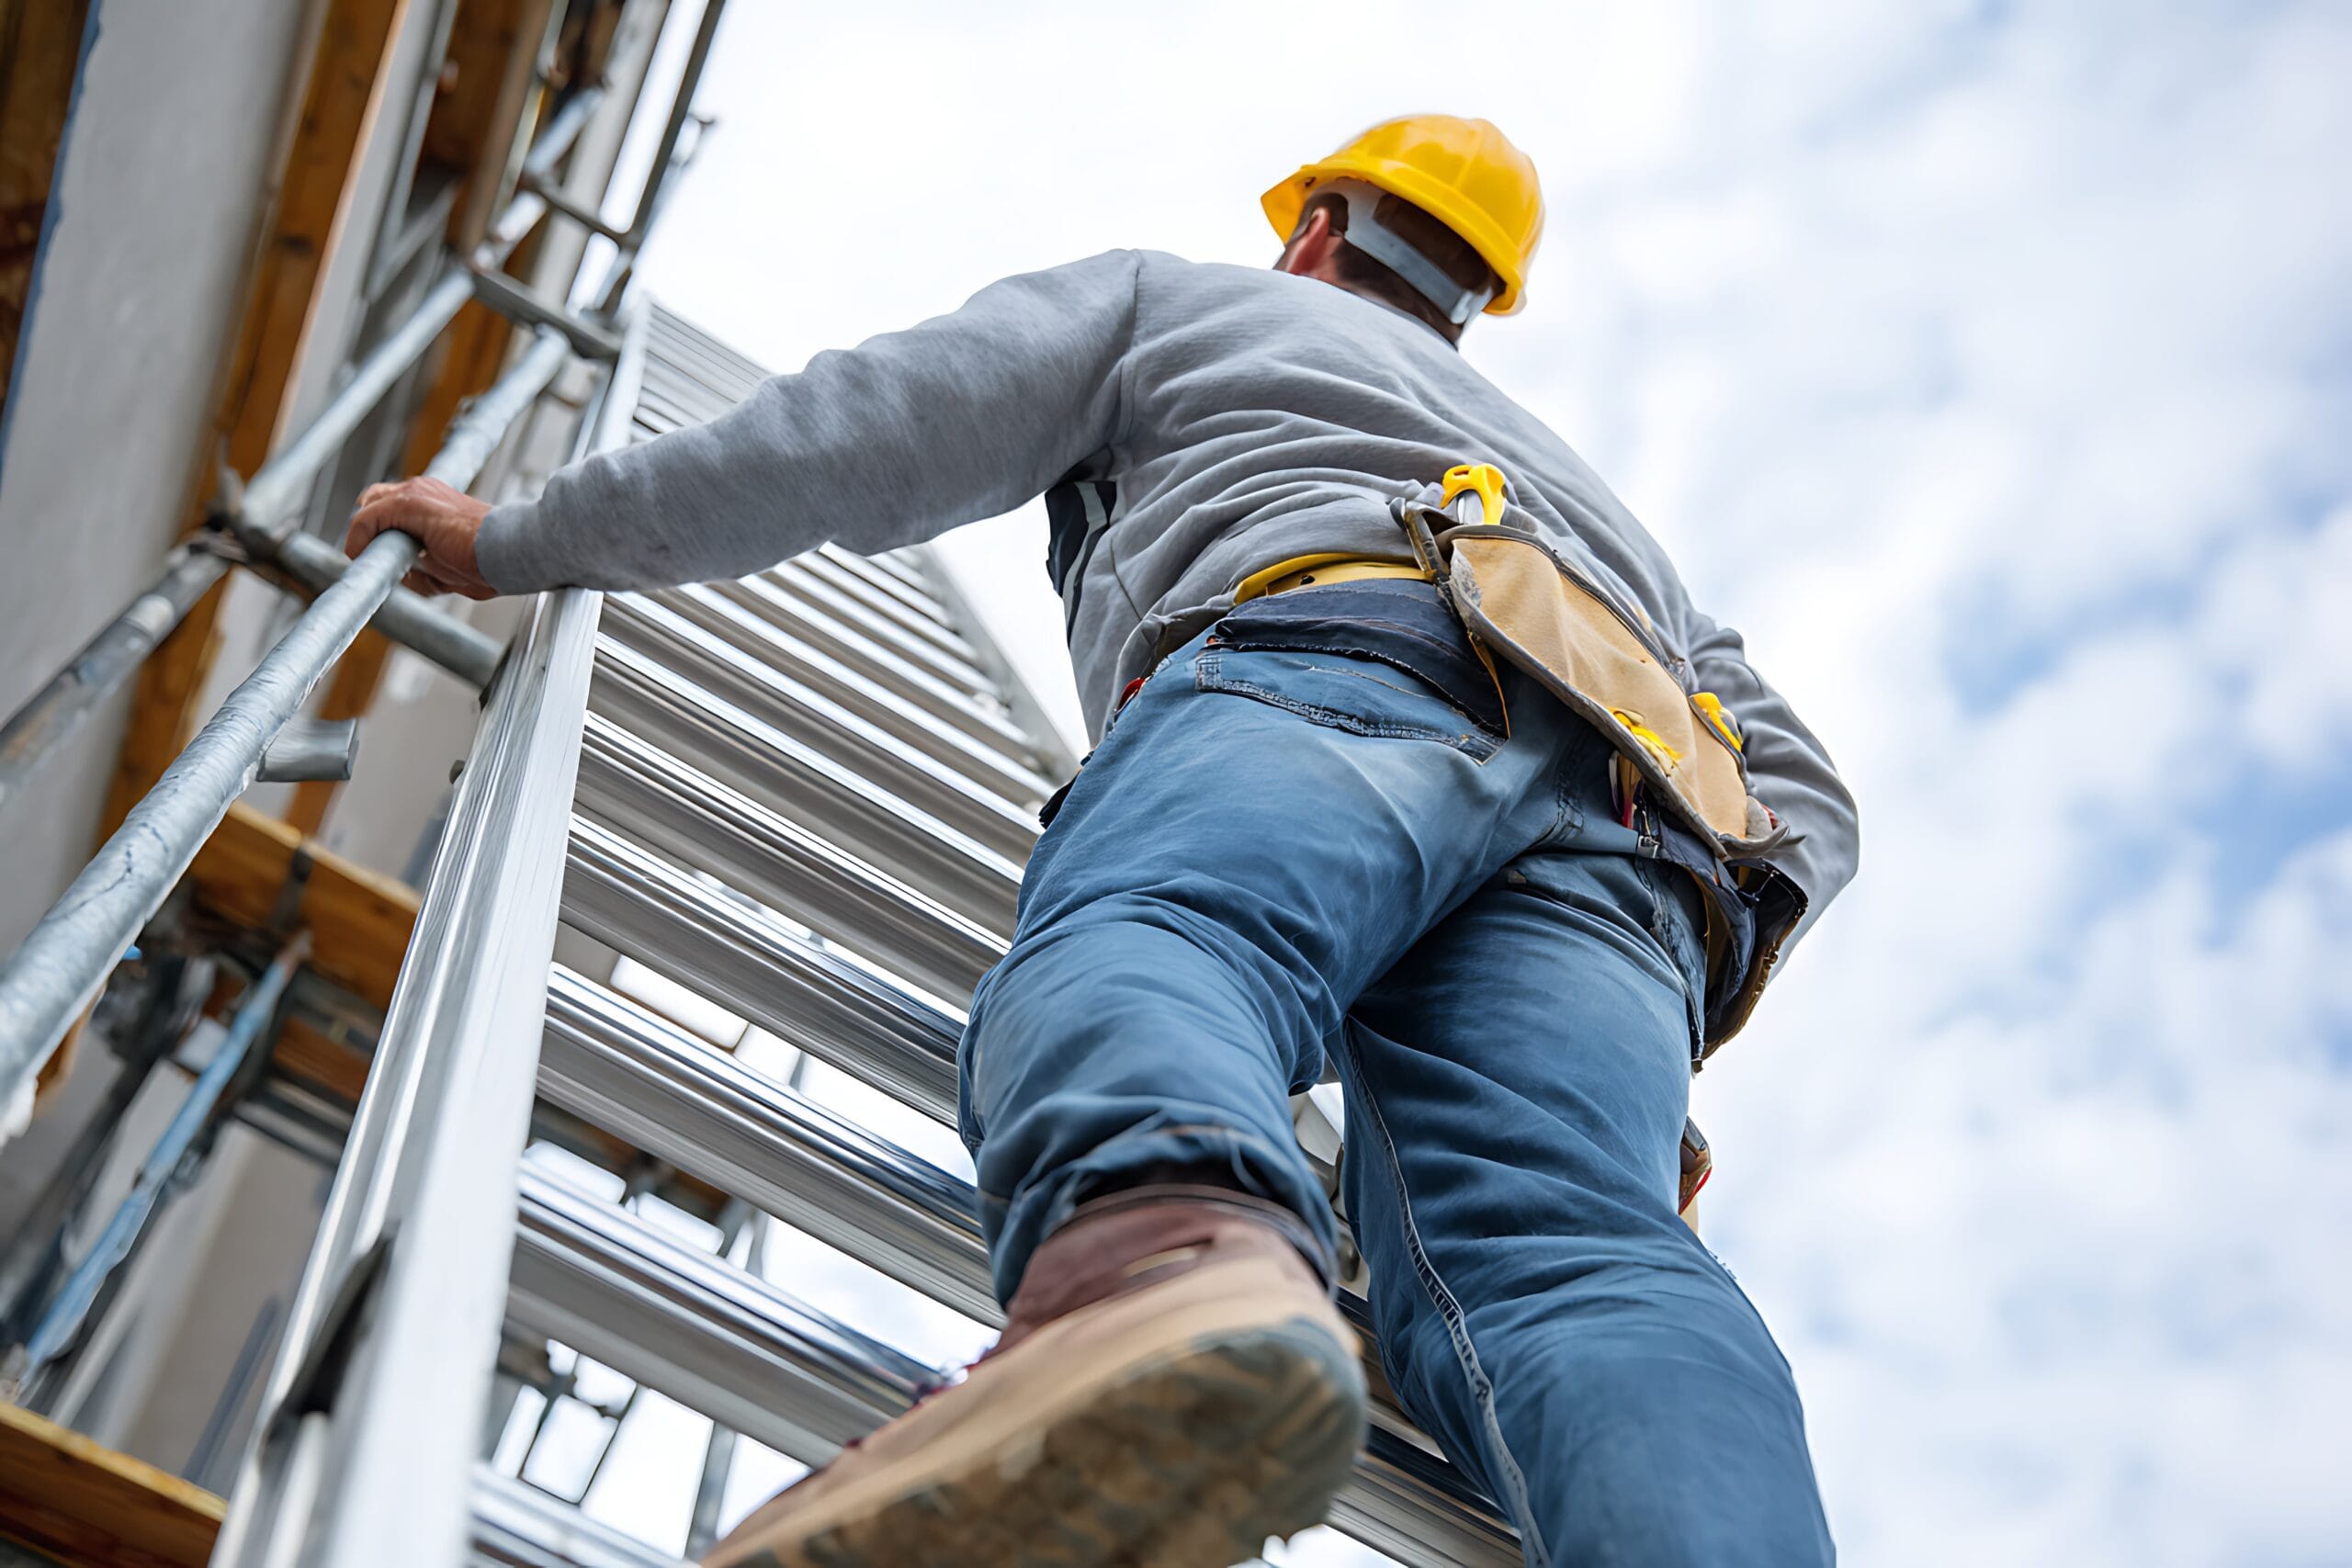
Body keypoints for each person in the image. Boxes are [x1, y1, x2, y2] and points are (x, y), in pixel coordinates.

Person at [347, 114, 1857, 1568]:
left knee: (1168, 945)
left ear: (1320, 228)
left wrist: (523, 538)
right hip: (1642, 849)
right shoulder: (1604, 517)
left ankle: (1162, 1267)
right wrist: (1688, 989)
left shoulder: (1179, 301)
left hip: (1339, 663)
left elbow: (865, 431)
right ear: (1472, 299)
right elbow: (1808, 791)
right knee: (1579, 1257)